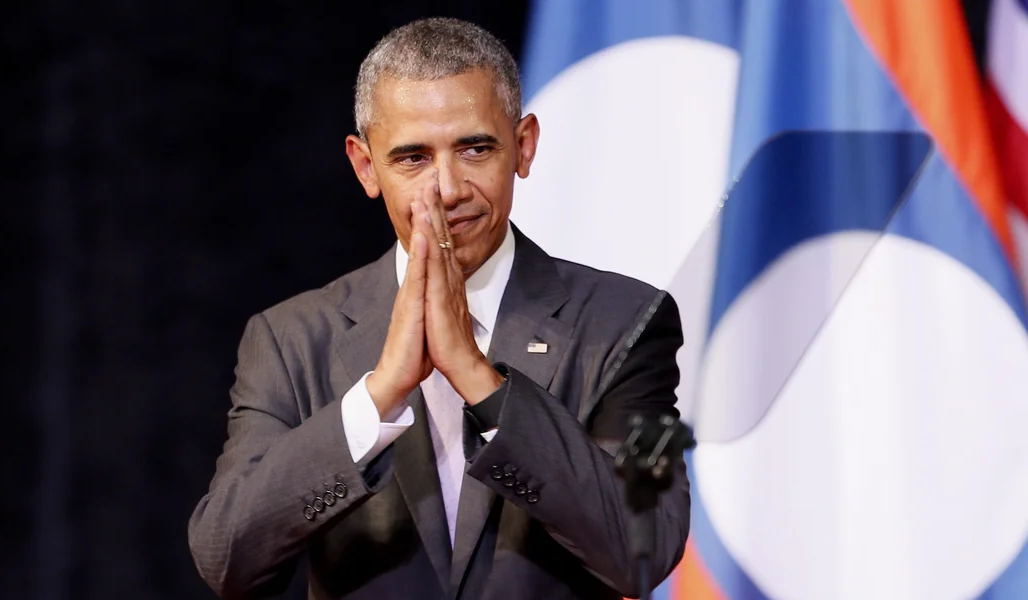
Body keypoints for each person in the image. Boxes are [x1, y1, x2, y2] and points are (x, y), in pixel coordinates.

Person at [188, 17, 689, 600]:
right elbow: (228, 559)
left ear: (524, 146)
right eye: (413, 158)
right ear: (366, 167)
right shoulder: (293, 338)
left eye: (475, 149)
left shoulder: (626, 323)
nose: (448, 189)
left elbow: (642, 546)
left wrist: (479, 378)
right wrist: (378, 397)